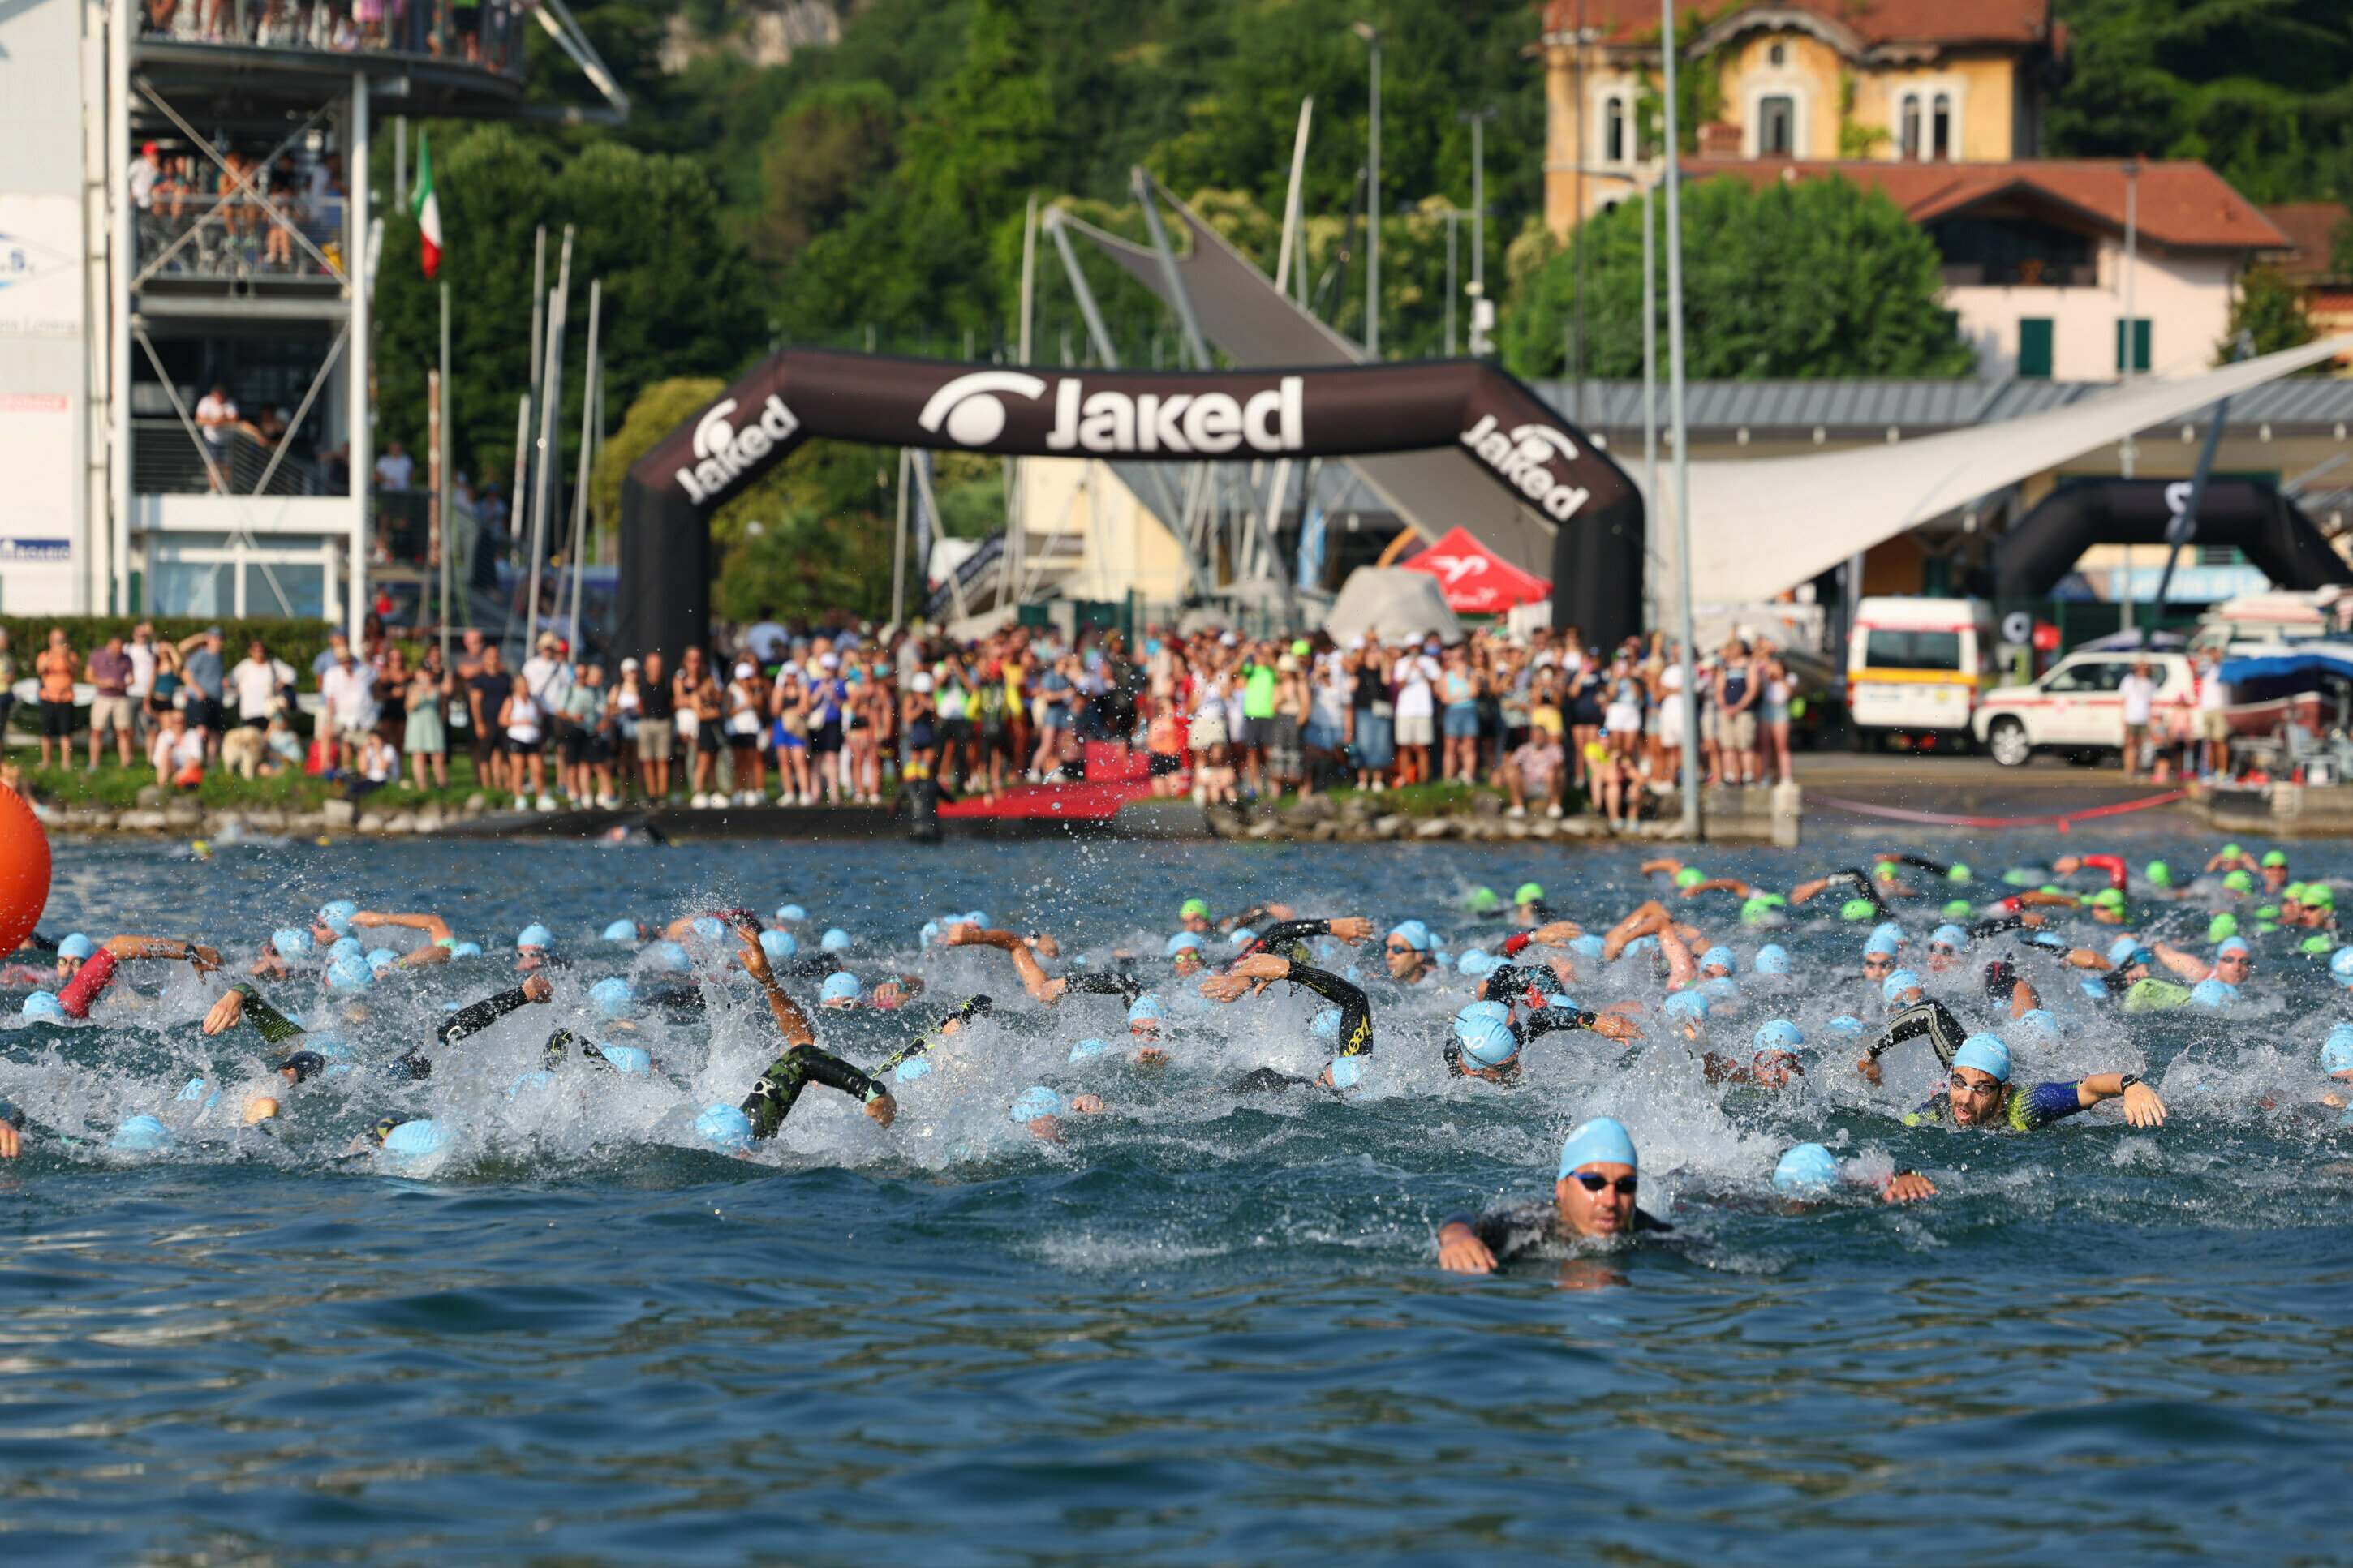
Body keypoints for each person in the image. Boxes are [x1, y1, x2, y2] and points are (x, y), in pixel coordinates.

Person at [695, 921, 897, 1148]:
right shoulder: (755, 1135)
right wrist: (874, 1093)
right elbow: (802, 1052)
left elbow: (801, 1047)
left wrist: (767, 980)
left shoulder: (753, 1127)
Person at [1436, 1118, 1668, 1273]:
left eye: (1625, 1185)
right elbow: (1464, 1219)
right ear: (1562, 1189)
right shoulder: (1531, 1227)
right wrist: (1458, 1238)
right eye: (1593, 1183)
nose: (1610, 1200)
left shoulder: (1651, 1233)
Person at [1897, 1032, 2167, 1132]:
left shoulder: (2027, 1106)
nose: (1965, 1100)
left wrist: (2130, 1085)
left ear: (2005, 1092)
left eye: (1982, 1088)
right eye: (1959, 1084)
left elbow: (2088, 1088)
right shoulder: (1937, 1111)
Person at [467, 642, 514, 796]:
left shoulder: (505, 678)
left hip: (503, 722)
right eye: (490, 656)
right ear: (485, 658)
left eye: (495, 655)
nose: (493, 659)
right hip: (487, 720)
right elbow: (475, 702)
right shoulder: (480, 680)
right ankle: (487, 787)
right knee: (485, 755)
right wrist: (479, 723)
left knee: (504, 754)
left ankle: (504, 785)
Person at [499, 673, 550, 810]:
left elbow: (540, 717)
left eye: (527, 684)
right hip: (517, 738)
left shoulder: (533, 701)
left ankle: (541, 796)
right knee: (518, 769)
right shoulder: (511, 701)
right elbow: (502, 720)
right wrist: (521, 722)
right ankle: (519, 797)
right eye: (522, 685)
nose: (525, 687)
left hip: (532, 738)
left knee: (538, 769)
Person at [85, 632, 136, 769]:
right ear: (110, 644)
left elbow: (132, 679)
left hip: (120, 698)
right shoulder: (98, 655)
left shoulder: (127, 659)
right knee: (97, 730)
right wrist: (102, 682)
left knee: (123, 731)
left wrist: (122, 685)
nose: (119, 650)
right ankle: (94, 763)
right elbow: (88, 676)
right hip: (103, 697)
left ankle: (126, 762)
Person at [35, 626, 80, 770]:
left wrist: (64, 656)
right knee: (46, 733)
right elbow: (40, 670)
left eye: (61, 640)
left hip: (66, 699)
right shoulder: (45, 655)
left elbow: (75, 671)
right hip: (48, 698)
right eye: (56, 640)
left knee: (65, 733)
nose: (59, 644)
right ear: (50, 641)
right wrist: (53, 656)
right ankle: (46, 762)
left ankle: (65, 762)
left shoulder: (71, 656)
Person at [405, 653, 450, 789]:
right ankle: (422, 785)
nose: (425, 675)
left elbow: (443, 707)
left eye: (427, 672)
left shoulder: (437, 688)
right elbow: (409, 707)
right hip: (418, 724)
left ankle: (442, 783)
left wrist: (442, 721)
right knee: (419, 755)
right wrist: (419, 691)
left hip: (433, 723)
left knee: (438, 754)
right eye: (422, 672)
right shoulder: (413, 688)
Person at [635, 650, 673, 803]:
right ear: (646, 667)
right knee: (647, 759)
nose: (656, 669)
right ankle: (652, 794)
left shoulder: (667, 684)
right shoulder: (642, 686)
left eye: (658, 666)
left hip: (663, 722)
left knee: (663, 759)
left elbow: (672, 704)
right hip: (647, 723)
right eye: (653, 666)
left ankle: (662, 794)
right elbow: (640, 706)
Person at [2119, 658, 2157, 780]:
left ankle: (2136, 768)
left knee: (2140, 744)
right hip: (2131, 717)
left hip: (2144, 717)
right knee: (2130, 743)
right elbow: (2124, 701)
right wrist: (2123, 719)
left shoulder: (2151, 683)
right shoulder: (2129, 680)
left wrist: (2152, 720)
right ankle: (2129, 769)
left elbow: (2151, 703)